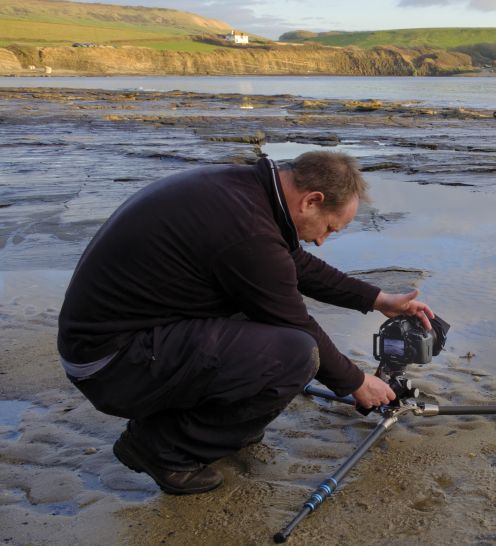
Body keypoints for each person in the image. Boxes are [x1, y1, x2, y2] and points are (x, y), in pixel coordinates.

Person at [57, 151, 433, 495]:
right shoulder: (247, 229)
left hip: (118, 341)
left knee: (266, 332)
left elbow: (293, 263)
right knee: (295, 353)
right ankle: (161, 448)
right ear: (312, 200)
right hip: (109, 364)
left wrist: (378, 299)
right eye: (330, 228)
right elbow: (296, 322)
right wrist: (356, 383)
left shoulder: (248, 191)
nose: (322, 241)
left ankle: (220, 426)